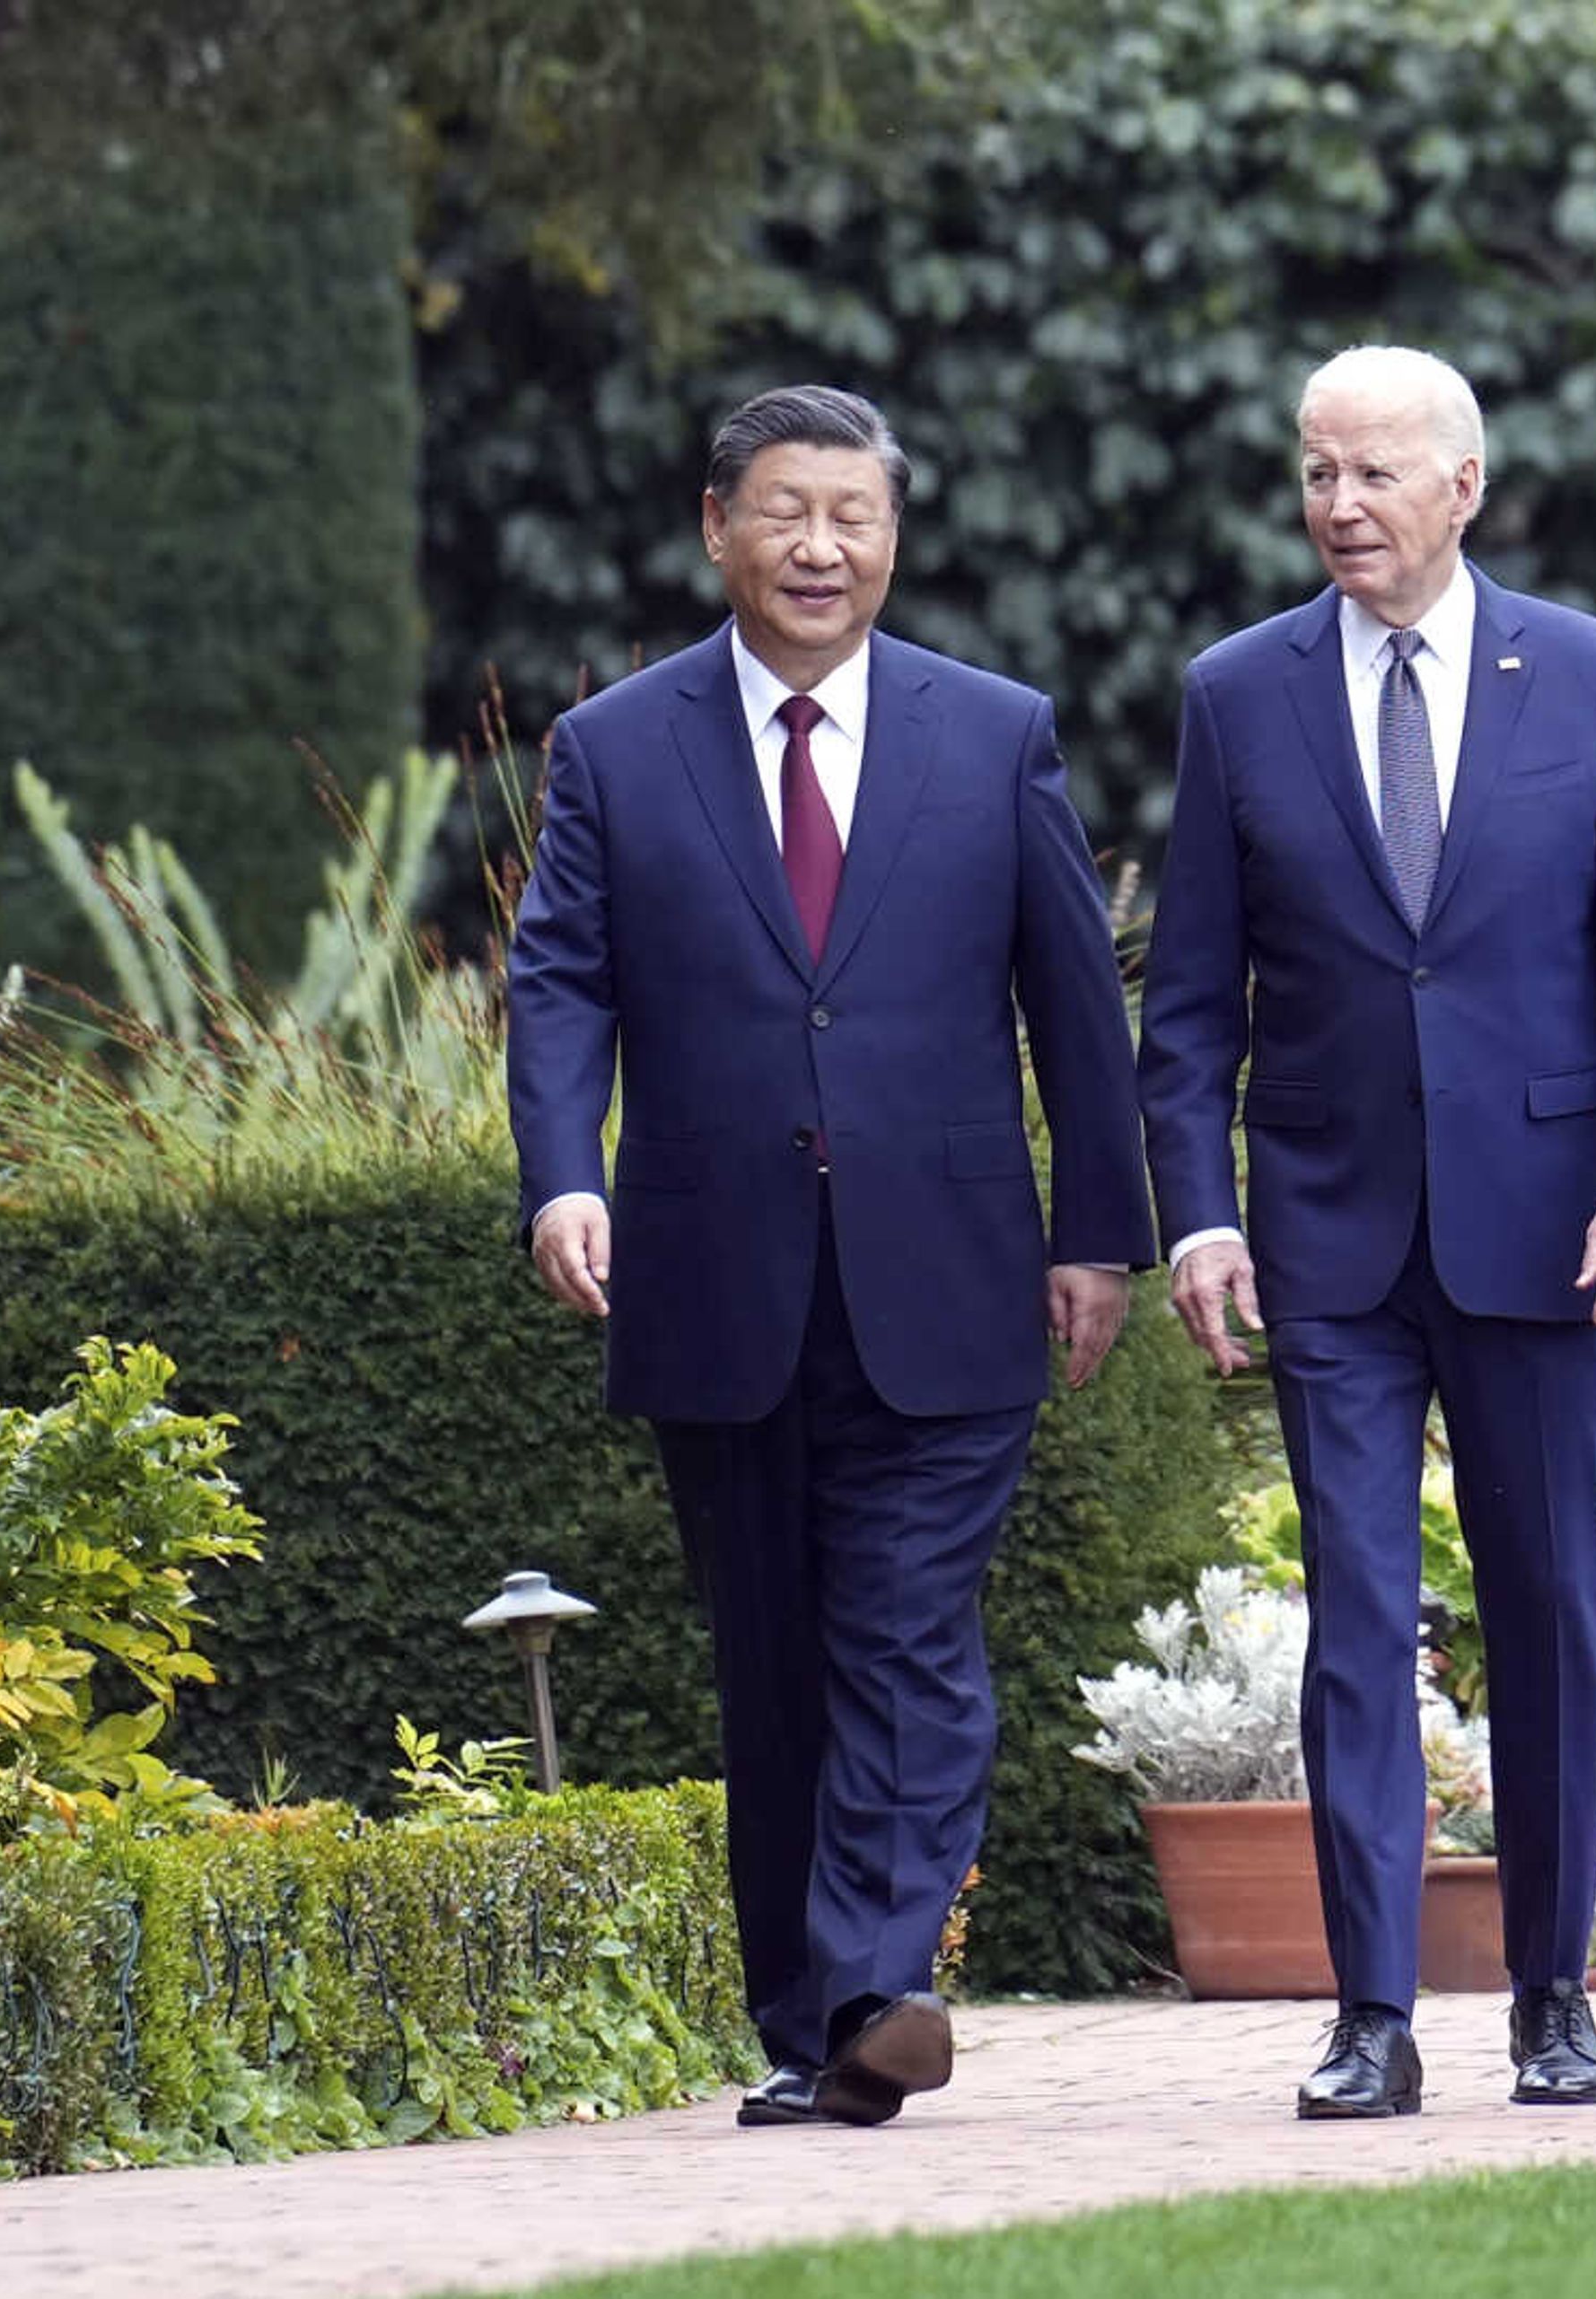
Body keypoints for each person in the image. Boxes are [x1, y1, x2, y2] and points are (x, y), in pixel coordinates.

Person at [507, 383, 1151, 2128]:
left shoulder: (993, 731)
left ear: (891, 534)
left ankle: (878, 1982)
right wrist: (565, 1177)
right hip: (716, 1281)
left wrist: (1103, 1232)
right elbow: (560, 977)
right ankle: (811, 2026)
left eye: (852, 514)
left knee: (911, 1630)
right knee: (774, 1661)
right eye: (785, 511)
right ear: (716, 524)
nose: (820, 546)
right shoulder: (618, 749)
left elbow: (1073, 1005)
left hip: (944, 1272)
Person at [1136, 345, 1596, 2119]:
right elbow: (1190, 1003)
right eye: (1318, 472)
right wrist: (1201, 1217)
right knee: (1358, 1615)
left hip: (1548, 1235)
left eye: (1377, 473)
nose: (1341, 506)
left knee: (1548, 1607)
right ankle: (1371, 2019)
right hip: (1329, 1236)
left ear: (1465, 487)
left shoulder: (1589, 674)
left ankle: (1551, 1996)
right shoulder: (1239, 696)